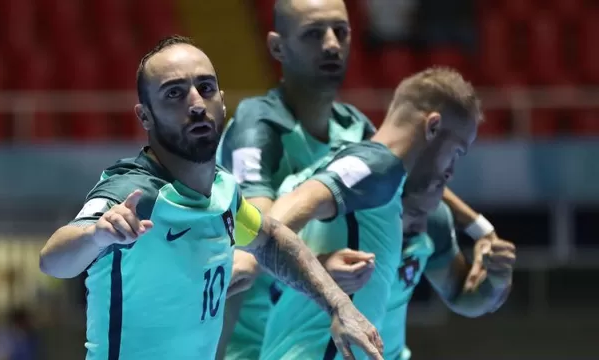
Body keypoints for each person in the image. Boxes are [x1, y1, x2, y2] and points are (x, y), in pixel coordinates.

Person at [38, 35, 384, 360]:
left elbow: (272, 240)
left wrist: (340, 306)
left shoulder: (223, 192)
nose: (196, 104)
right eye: (174, 94)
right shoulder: (133, 191)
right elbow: (53, 260)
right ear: (145, 115)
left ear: (221, 101)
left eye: (205, 88)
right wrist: (95, 235)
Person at [217, 1, 504, 359]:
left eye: (341, 31)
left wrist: (477, 225)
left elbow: (406, 177)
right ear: (277, 47)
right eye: (314, 33)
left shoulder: (354, 127)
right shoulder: (256, 126)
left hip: (329, 331)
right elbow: (251, 236)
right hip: (253, 344)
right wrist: (317, 266)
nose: (332, 44)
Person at [253, 66, 481, 360]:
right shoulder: (379, 166)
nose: (451, 171)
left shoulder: (361, 174)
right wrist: (337, 302)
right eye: (457, 152)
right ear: (433, 127)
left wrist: (315, 269)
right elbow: (279, 220)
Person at [377, 167, 516, 360]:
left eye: (457, 153)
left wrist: (495, 281)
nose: (450, 172)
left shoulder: (432, 218)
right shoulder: (338, 210)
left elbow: (464, 297)